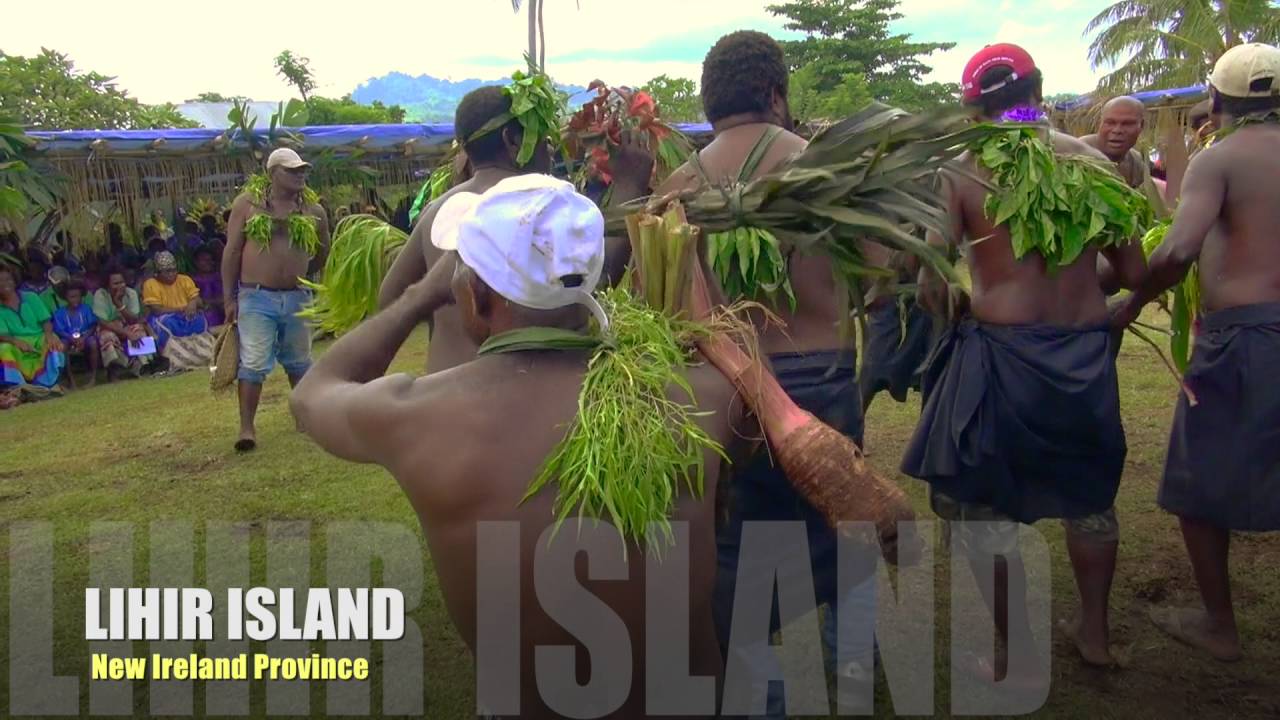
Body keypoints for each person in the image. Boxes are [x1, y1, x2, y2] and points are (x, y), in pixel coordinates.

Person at [292, 175, 741, 719]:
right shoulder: (702, 396)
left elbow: (311, 396)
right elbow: (733, 358)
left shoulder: (417, 417)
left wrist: (419, 296)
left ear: (474, 296)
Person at [901, 44, 1147, 676]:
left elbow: (930, 277)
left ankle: (1015, 649)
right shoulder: (1093, 163)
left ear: (974, 104)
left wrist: (959, 300)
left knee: (984, 506)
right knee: (1091, 498)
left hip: (1003, 355)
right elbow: (1133, 271)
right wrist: (1095, 290)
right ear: (1038, 91)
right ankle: (1094, 635)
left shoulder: (961, 170)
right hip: (1083, 354)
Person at [652, 30, 877, 715]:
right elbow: (879, 268)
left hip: (727, 395)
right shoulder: (828, 173)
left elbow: (655, 303)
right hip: (825, 379)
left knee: (739, 553)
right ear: (777, 93)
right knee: (847, 518)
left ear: (709, 99)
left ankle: (767, 690)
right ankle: (852, 659)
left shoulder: (677, 188)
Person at [1110, 43, 1280, 663]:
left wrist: (1126, 307)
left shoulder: (1221, 158)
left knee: (1195, 478)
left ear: (1216, 99)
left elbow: (1179, 250)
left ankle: (1218, 625)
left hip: (1247, 337)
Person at [377, 85, 651, 375]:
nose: (549, 149)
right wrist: (630, 185)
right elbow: (598, 279)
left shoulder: (437, 211)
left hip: (443, 395)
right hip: (510, 394)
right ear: (512, 140)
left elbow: (390, 299)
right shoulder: (541, 211)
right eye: (543, 138)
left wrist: (445, 314)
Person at [222, 148, 331, 452]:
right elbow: (231, 252)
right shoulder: (248, 204)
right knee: (254, 362)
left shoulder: (313, 210)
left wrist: (302, 273)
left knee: (299, 360)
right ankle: (247, 428)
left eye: (302, 170)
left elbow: (324, 250)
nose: (300, 175)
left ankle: (305, 418)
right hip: (256, 296)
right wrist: (228, 297)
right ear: (272, 173)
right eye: (292, 170)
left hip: (297, 295)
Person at [858, 249, 938, 417]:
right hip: (889, 284)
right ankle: (851, 431)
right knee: (873, 366)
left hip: (928, 289)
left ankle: (929, 435)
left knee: (932, 367)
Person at [0, 266, 67, 389]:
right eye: (0, 280)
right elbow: (2, 334)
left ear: (14, 281)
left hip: (39, 337)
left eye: (8, 279)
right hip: (16, 342)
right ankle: (18, 387)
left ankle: (49, 383)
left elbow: (46, 321)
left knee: (54, 342)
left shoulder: (30, 297)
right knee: (3, 349)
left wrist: (49, 336)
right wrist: (16, 341)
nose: (5, 283)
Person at [142, 251, 210, 356]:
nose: (172, 274)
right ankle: (173, 356)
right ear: (158, 273)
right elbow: (156, 310)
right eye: (167, 271)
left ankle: (200, 352)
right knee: (168, 322)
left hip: (186, 315)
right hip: (164, 318)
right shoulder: (150, 284)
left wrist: (193, 302)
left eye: (174, 270)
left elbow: (198, 301)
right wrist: (180, 309)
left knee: (198, 318)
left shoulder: (184, 279)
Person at [1080, 96, 1150, 189]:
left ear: (1141, 125)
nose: (1117, 130)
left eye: (1127, 124)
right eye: (1110, 123)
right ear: (1099, 124)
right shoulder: (1076, 152)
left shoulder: (1137, 162)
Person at [93, 269, 152, 378]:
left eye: (122, 282)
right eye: (116, 283)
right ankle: (117, 370)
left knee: (138, 330)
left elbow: (133, 319)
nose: (120, 286)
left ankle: (144, 366)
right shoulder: (100, 294)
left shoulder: (131, 293)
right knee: (107, 336)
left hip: (127, 325)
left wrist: (118, 303)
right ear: (108, 285)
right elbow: (103, 322)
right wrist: (126, 333)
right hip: (108, 327)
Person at [52, 281, 101, 388]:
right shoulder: (59, 313)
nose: (76, 300)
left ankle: (93, 377)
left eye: (78, 296)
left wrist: (84, 338)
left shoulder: (86, 308)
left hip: (86, 336)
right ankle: (71, 379)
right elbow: (59, 330)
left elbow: (92, 326)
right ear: (65, 297)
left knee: (93, 343)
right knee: (62, 346)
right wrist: (71, 338)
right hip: (67, 338)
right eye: (72, 297)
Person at [191, 246, 225, 328]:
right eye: (204, 260)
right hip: (203, 314)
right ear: (196, 262)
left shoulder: (220, 277)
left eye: (210, 260)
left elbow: (225, 298)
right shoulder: (191, 281)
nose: (208, 262)